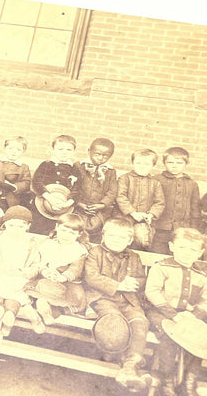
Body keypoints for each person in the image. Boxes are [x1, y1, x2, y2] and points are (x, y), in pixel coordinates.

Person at [84, 218, 149, 391]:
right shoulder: (95, 252)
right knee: (116, 322)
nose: (116, 240)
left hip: (128, 299)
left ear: (129, 241)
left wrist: (133, 282)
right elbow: (91, 276)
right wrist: (118, 285)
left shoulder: (134, 257)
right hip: (102, 298)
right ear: (103, 236)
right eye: (111, 236)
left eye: (121, 238)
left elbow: (141, 279)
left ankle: (130, 364)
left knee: (140, 321)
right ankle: (124, 366)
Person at [145, 227, 207, 396]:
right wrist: (173, 315)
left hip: (188, 316)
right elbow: (152, 292)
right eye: (182, 247)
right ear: (172, 247)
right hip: (161, 312)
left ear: (200, 252)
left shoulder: (201, 274)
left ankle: (189, 380)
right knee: (169, 335)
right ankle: (166, 379)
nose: (187, 253)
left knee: (199, 336)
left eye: (193, 249)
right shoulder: (162, 267)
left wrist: (194, 316)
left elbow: (205, 299)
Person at [0, 206, 41, 337]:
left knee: (16, 295)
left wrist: (25, 272)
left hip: (19, 276)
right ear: (4, 224)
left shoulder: (31, 243)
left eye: (20, 227)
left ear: (28, 226)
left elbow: (36, 265)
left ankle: (9, 317)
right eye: (11, 225)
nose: (15, 230)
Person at [26, 213, 89, 325]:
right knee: (43, 285)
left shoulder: (78, 250)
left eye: (72, 233)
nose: (66, 235)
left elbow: (76, 269)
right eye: (64, 230)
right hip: (48, 279)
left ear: (79, 234)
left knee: (76, 298)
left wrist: (63, 277)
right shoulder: (49, 245)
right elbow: (40, 262)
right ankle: (45, 309)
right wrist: (45, 271)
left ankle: (47, 312)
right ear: (57, 227)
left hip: (68, 284)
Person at [150, 147, 201, 255]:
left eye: (179, 163)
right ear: (164, 163)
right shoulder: (156, 179)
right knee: (157, 253)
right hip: (159, 227)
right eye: (170, 162)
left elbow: (195, 208)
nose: (174, 165)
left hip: (182, 228)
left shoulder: (192, 184)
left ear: (186, 163)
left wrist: (194, 229)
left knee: (177, 253)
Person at [29, 135, 81, 235]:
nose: (64, 152)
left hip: (63, 209)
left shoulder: (75, 169)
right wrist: (50, 199)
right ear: (52, 150)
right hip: (42, 205)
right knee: (38, 230)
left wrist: (67, 204)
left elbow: (77, 190)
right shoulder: (46, 165)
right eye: (60, 149)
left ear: (74, 152)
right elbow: (36, 182)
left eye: (69, 149)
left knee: (58, 232)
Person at [115, 149, 165, 250]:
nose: (142, 166)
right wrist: (132, 212)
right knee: (120, 239)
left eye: (147, 164)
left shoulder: (155, 183)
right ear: (132, 163)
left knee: (141, 241)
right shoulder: (124, 179)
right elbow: (121, 196)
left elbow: (159, 202)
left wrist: (150, 215)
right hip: (123, 218)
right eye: (138, 163)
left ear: (153, 165)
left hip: (143, 221)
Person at [74, 137, 118, 243]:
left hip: (99, 210)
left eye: (105, 156)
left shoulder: (110, 171)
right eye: (97, 154)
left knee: (96, 230)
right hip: (79, 206)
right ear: (89, 151)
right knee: (77, 227)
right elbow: (73, 187)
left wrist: (102, 205)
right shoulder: (79, 166)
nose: (100, 158)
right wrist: (79, 203)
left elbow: (112, 191)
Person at [0, 136, 32, 210]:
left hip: (12, 199)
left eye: (18, 150)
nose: (14, 151)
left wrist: (15, 187)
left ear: (23, 152)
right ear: (4, 149)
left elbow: (26, 182)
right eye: (10, 148)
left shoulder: (23, 167)